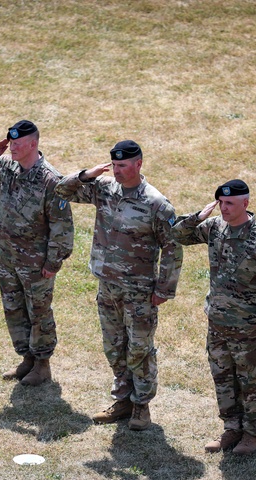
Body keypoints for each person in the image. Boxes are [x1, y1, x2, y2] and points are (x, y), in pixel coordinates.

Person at [56, 140, 182, 430]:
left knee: (139, 348)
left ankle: (141, 407)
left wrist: (164, 289)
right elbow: (62, 190)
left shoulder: (156, 203)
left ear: (138, 164)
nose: (118, 171)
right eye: (114, 165)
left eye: (123, 166)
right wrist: (86, 174)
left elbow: (173, 248)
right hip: (108, 284)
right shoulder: (104, 189)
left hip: (140, 290)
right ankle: (122, 400)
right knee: (114, 346)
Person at [172, 180, 256, 455]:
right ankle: (231, 428)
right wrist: (197, 217)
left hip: (250, 329)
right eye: (221, 203)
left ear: (245, 204)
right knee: (223, 378)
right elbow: (178, 235)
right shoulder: (214, 228)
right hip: (219, 324)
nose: (224, 208)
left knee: (252, 382)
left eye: (230, 204)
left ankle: (253, 434)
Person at [0, 120, 74, 385]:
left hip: (36, 262)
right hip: (8, 255)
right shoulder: (5, 167)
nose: (12, 147)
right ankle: (26, 358)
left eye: (17, 143)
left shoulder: (51, 179)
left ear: (33, 144)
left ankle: (42, 364)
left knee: (38, 312)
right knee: (13, 309)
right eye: (10, 142)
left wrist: (53, 261)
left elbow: (62, 226)